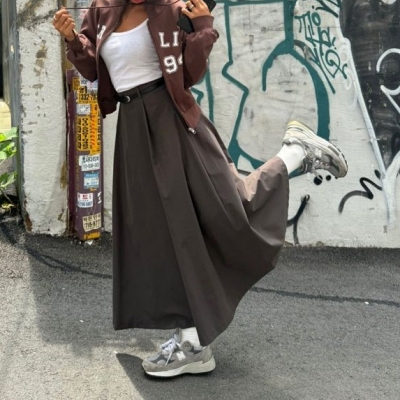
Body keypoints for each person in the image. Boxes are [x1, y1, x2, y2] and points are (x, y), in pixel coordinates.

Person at [53, 0, 348, 378]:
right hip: (133, 128)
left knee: (223, 212)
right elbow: (98, 70)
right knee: (158, 233)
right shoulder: (103, 10)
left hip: (172, 123)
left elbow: (190, 73)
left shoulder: (173, 9)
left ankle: (294, 154)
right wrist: (73, 40)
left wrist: (203, 27)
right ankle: (192, 341)